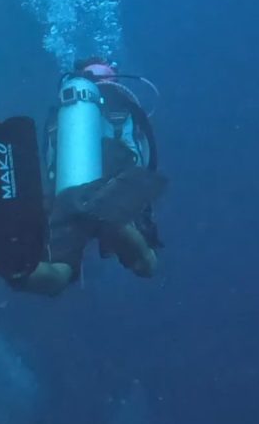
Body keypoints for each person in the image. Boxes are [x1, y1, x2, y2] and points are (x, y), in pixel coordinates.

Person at [9, 57, 166, 296]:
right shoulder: (127, 109)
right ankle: (114, 224)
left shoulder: (62, 114)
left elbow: (49, 160)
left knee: (60, 269)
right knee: (145, 264)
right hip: (114, 195)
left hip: (67, 195)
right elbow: (145, 159)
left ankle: (20, 271)